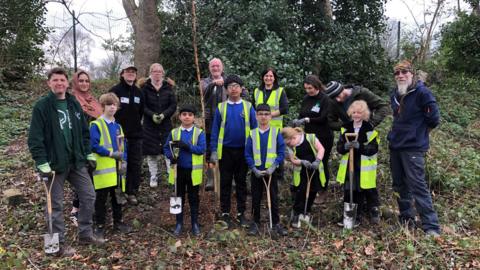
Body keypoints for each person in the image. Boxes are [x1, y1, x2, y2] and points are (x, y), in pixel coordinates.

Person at [28, 67, 103, 256]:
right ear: (49, 83)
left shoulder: (73, 104)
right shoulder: (42, 106)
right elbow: (35, 138)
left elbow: (84, 133)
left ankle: (85, 234)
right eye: (55, 80)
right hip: (54, 165)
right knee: (55, 204)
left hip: (76, 161)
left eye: (62, 80)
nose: (59, 83)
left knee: (88, 196)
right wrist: (42, 162)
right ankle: (57, 245)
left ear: (67, 83)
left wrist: (88, 154)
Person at [388, 60, 441, 237]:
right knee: (399, 184)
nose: (401, 76)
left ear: (412, 74)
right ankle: (406, 219)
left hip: (413, 148)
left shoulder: (422, 93)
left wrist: (418, 133)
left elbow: (434, 118)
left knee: (417, 185)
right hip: (396, 146)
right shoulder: (395, 93)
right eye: (397, 73)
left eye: (404, 72)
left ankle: (431, 226)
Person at [210, 74, 258, 228]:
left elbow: (255, 129)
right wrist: (213, 151)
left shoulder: (248, 106)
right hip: (225, 151)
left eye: (236, 86)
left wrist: (255, 150)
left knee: (241, 182)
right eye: (230, 86)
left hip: (243, 151)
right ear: (226, 90)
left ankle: (241, 213)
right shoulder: (221, 107)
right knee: (225, 182)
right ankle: (225, 213)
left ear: (241, 88)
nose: (234, 89)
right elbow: (215, 130)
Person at [90, 93, 132, 241]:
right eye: (108, 104)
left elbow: (123, 146)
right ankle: (100, 226)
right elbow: (94, 146)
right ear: (102, 107)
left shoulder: (118, 126)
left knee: (118, 197)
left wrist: (124, 160)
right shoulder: (96, 125)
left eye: (114, 104)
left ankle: (118, 222)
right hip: (103, 171)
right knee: (101, 200)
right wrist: (110, 154)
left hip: (118, 170)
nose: (112, 107)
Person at [202, 58, 248, 191]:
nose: (215, 68)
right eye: (213, 66)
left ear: (222, 68)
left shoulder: (230, 81)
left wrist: (231, 87)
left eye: (218, 66)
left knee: (228, 150)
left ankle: (231, 178)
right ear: (209, 68)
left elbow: (244, 93)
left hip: (227, 120)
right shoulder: (205, 82)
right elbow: (203, 93)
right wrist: (214, 84)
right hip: (210, 121)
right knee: (211, 150)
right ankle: (211, 178)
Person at [245, 104, 287, 236]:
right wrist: (253, 168)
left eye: (266, 114)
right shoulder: (252, 134)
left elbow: (281, 152)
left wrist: (274, 166)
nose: (263, 116)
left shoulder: (276, 133)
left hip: (271, 172)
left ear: (270, 116)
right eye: (261, 114)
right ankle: (255, 223)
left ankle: (276, 223)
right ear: (256, 116)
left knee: (274, 198)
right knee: (256, 198)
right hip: (257, 172)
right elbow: (247, 153)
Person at [335, 100, 380, 227]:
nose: (356, 115)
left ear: (364, 114)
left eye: (359, 112)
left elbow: (373, 149)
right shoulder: (346, 128)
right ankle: (347, 216)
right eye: (354, 112)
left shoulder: (369, 128)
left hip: (362, 166)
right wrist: (345, 146)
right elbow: (339, 148)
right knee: (349, 190)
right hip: (349, 165)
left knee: (360, 191)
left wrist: (359, 146)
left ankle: (357, 216)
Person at [164, 105, 206, 236]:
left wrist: (187, 146)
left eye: (190, 114)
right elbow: (166, 148)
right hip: (178, 171)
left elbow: (201, 150)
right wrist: (171, 156)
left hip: (193, 172)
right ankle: (178, 223)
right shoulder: (174, 132)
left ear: (194, 117)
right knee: (178, 198)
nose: (187, 116)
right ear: (180, 116)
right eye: (184, 114)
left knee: (194, 198)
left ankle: (194, 224)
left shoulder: (199, 133)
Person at [69, 70, 102, 227]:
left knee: (92, 179)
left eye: (86, 81)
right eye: (80, 81)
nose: (84, 84)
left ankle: (89, 210)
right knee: (82, 179)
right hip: (79, 146)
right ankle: (76, 210)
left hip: (94, 145)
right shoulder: (71, 101)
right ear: (75, 82)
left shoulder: (93, 101)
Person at [109, 64, 144, 205]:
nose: (131, 74)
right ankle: (118, 192)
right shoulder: (115, 91)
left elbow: (141, 111)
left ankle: (131, 192)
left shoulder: (138, 92)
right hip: (119, 136)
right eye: (128, 71)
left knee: (135, 164)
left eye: (133, 72)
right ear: (122, 74)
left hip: (136, 135)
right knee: (120, 164)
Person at [293, 75, 333, 191]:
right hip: (310, 136)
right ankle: (311, 188)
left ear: (316, 86)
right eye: (306, 88)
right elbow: (302, 114)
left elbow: (324, 118)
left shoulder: (325, 99)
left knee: (322, 162)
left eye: (310, 88)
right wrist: (298, 121)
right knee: (310, 161)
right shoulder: (306, 98)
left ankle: (323, 189)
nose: (308, 91)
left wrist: (307, 120)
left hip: (324, 135)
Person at [281, 127, 326, 228]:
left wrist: (317, 161)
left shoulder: (310, 138)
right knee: (301, 191)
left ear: (293, 137)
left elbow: (321, 149)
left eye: (288, 143)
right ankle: (297, 212)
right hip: (302, 172)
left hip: (315, 169)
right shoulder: (290, 146)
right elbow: (292, 160)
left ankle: (307, 211)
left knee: (313, 190)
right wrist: (301, 162)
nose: (288, 145)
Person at [142, 63, 177, 188]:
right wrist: (152, 115)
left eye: (159, 71)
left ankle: (171, 175)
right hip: (149, 125)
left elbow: (173, 105)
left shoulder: (168, 88)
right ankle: (153, 176)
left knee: (168, 150)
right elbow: (143, 106)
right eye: (154, 71)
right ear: (150, 73)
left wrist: (164, 115)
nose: (157, 73)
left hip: (165, 124)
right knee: (151, 152)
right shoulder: (145, 88)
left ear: (163, 73)